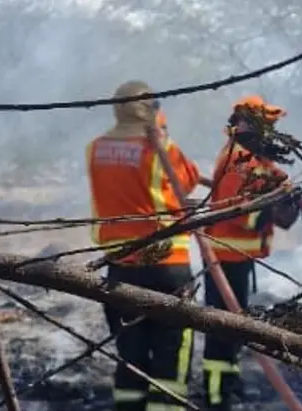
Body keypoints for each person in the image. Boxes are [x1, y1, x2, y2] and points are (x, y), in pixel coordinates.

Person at [201, 94, 302, 410]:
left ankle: (230, 386)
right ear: (245, 124)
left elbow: (281, 189)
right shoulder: (236, 159)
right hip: (224, 256)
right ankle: (217, 396)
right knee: (222, 330)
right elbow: (236, 212)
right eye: (266, 125)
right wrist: (276, 208)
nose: (270, 131)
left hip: (238, 258)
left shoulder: (255, 159)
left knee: (234, 329)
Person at [86, 80, 202, 411]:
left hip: (120, 269)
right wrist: (163, 139)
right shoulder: (159, 148)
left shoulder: (95, 148)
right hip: (168, 267)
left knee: (130, 356)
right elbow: (189, 179)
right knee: (170, 357)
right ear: (149, 110)